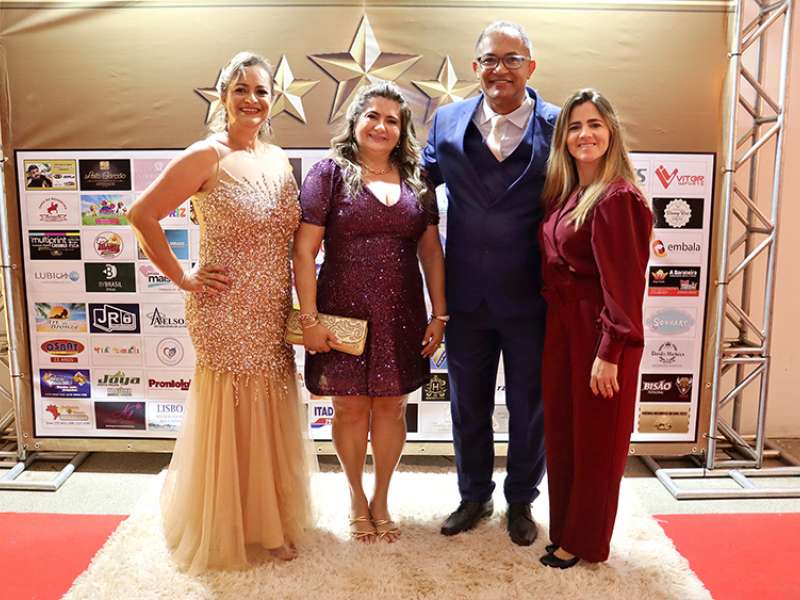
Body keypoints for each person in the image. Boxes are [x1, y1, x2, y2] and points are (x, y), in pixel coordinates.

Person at [128, 51, 313, 572]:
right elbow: (141, 214)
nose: (252, 99)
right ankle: (231, 525)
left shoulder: (277, 157)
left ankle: (266, 520)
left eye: (261, 90)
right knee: (235, 411)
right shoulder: (204, 155)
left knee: (268, 409)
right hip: (224, 307)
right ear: (223, 97)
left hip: (271, 306)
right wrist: (181, 276)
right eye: (241, 90)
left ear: (273, 99)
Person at [421, 20, 558, 546]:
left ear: (531, 66)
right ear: (475, 66)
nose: (501, 69)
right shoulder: (447, 120)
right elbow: (418, 182)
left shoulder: (559, 124)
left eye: (512, 59)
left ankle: (521, 499)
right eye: (490, 60)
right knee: (468, 405)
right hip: (466, 296)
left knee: (530, 406)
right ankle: (474, 495)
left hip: (532, 297)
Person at [293, 81, 446, 543]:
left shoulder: (418, 179)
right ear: (355, 121)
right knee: (350, 406)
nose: (381, 126)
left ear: (403, 130)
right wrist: (310, 320)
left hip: (401, 309)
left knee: (393, 407)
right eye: (372, 116)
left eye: (392, 120)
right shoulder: (328, 174)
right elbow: (304, 252)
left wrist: (439, 315)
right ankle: (356, 498)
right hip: (343, 309)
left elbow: (431, 251)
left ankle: (381, 499)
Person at [538, 88, 653, 569]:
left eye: (594, 125)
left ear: (611, 133)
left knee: (597, 441)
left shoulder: (618, 197)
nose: (584, 135)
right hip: (563, 324)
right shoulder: (569, 195)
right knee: (565, 434)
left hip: (600, 329)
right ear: (563, 138)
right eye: (575, 127)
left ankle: (585, 541)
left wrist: (609, 350)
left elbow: (624, 285)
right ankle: (566, 528)